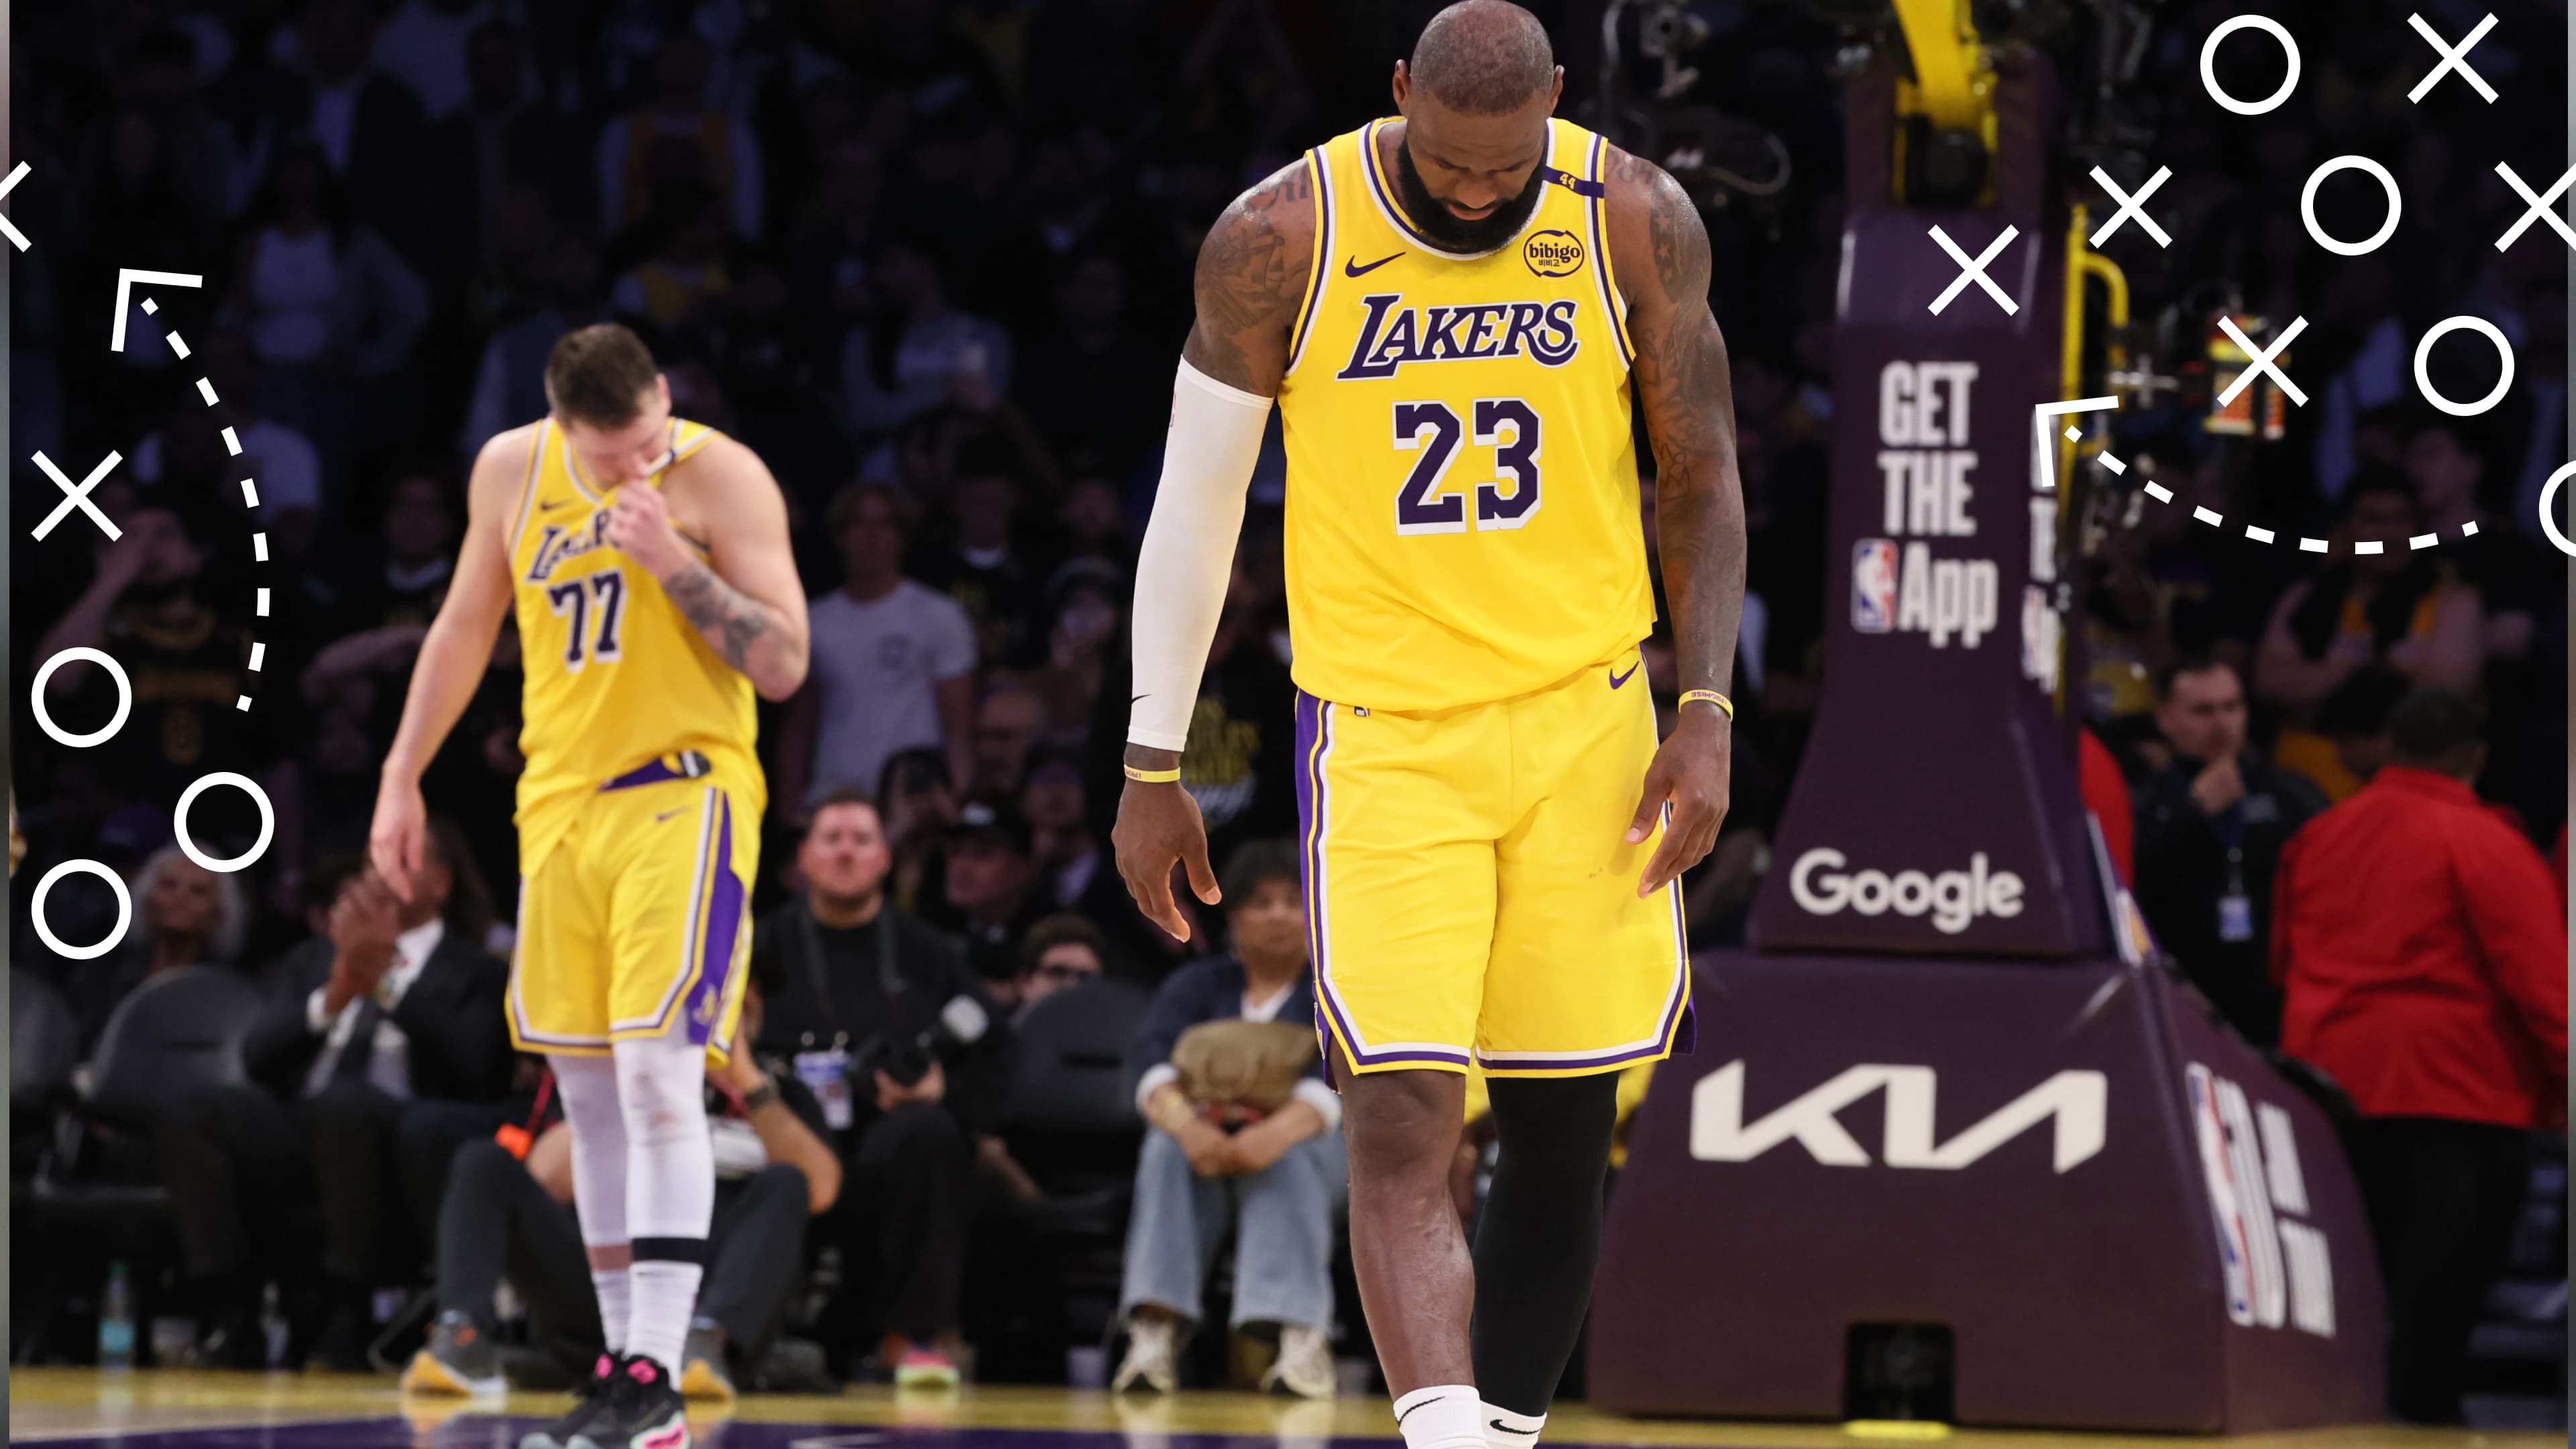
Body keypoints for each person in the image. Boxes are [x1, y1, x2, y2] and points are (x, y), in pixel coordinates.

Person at [1112, 7, 1743, 1446]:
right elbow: (1197, 509)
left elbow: (1699, 478)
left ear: (1558, 109)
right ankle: (1443, 1432)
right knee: (1402, 1116)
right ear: (1398, 95)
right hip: (1388, 734)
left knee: (1566, 1133)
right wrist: (1156, 756)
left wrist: (1702, 708)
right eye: (1451, 163)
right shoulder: (1279, 235)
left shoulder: (1633, 214)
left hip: (1589, 720)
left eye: (1502, 165)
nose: (1474, 190)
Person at [369, 322, 809, 1449]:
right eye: (609, 454)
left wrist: (670, 557)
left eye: (644, 440)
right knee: (590, 1100)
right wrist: (401, 774)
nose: (630, 467)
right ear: (563, 425)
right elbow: (466, 626)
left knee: (666, 1078)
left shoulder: (722, 474)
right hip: (559, 807)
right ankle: (627, 1375)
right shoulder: (512, 468)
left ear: (667, 396)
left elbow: (785, 662)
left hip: (688, 793)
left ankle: (658, 1368)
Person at [2270, 690, 2567, 1424]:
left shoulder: (2318, 836)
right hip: (2455, 1100)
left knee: (2346, 1308)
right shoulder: (2486, 842)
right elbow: (2543, 986)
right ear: (2477, 759)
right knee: (2433, 1331)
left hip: (2331, 1098)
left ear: (2391, 747)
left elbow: (2281, 962)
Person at [158, 828, 512, 1371]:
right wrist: (338, 992)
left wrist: (385, 983)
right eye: (374, 861)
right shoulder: (313, 957)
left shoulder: (478, 969)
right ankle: (232, 1320)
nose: (381, 874)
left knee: (346, 1105)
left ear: (440, 883)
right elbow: (257, 1057)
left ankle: (347, 1314)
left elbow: (478, 1067)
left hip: (404, 1138)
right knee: (193, 1108)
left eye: (401, 860)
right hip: (305, 1125)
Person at [405, 979, 841, 1404]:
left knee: (787, 1180)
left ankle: (704, 1343)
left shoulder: (784, 1093)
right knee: (483, 1163)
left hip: (718, 1290)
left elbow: (820, 1189)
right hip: (608, 1294)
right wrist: (635, 1075)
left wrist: (745, 1080)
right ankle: (461, 1334)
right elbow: (546, 1177)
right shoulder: (613, 1084)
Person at [749, 788, 1013, 1389]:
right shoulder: (760, 946)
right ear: (805, 859)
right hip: (786, 1138)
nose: (846, 853)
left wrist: (943, 1084)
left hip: (889, 1155)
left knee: (929, 1133)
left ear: (885, 860)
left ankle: (916, 1338)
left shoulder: (928, 952)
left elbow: (993, 1040)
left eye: (862, 839)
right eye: (832, 839)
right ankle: (734, 1334)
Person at [1114, 840, 1344, 1399]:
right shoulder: (1196, 986)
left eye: (1294, 901)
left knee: (1288, 1161)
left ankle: (1298, 1337)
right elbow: (1150, 1064)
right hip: (1206, 1143)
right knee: (1164, 1150)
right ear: (1234, 916)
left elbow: (1338, 1073)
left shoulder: (1334, 990)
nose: (1280, 916)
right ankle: (1154, 1335)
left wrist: (1275, 1132)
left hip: (1312, 1147)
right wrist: (1189, 1128)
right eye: (1261, 903)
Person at [2255, 470, 2483, 800]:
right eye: (2374, 520)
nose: (2390, 534)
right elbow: (2270, 682)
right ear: (2346, 529)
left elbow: (2440, 703)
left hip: (2403, 796)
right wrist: (2371, 678)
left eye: (2401, 520)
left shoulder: (2454, 603)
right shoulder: (2305, 597)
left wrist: (2319, 691)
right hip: (2296, 791)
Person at [2131, 657, 2323, 1047]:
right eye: (2203, 711)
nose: (2221, 723)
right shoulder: (2143, 801)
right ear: (2165, 718)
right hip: (2180, 999)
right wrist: (2193, 813)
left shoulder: (2291, 795)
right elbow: (2132, 888)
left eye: (2232, 707)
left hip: (2274, 1000)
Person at [779, 485, 977, 812]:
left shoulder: (938, 616)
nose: (871, 536)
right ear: (840, 536)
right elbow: (799, 727)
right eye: (858, 524)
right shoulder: (814, 621)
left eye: (884, 525)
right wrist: (790, 811)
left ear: (902, 537)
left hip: (916, 803)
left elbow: (959, 729)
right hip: (833, 801)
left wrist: (960, 802)